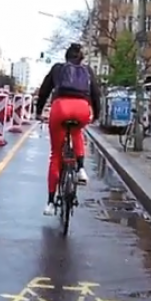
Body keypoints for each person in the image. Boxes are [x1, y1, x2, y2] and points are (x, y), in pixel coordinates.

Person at [34, 43, 102, 216]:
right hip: (82, 109)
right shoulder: (87, 71)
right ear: (81, 58)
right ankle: (80, 169)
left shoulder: (58, 69)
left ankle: (50, 202)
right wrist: (96, 115)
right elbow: (96, 94)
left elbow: (44, 91)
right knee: (77, 132)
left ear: (66, 57)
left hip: (60, 108)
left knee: (56, 155)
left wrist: (38, 111)